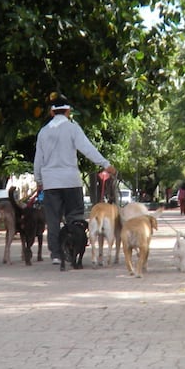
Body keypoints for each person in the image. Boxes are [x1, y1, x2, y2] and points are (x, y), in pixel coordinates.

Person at [34, 92, 116, 265]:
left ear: (51, 112)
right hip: (71, 181)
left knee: (53, 220)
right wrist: (106, 164)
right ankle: (74, 250)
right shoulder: (73, 128)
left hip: (50, 183)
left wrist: (39, 180)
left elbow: (38, 159)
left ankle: (56, 254)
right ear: (68, 111)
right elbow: (87, 149)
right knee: (75, 218)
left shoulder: (43, 132)